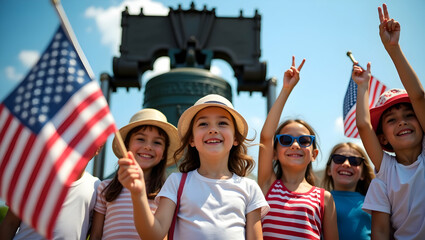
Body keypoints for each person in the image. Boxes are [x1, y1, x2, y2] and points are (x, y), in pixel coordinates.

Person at [118, 94, 269, 240]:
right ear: (191, 139)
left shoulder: (250, 188)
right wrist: (138, 195)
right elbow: (153, 236)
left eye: (222, 123)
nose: (213, 129)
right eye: (203, 124)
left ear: (236, 138)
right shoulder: (176, 182)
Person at [352, 4, 425, 239]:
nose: (402, 122)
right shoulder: (385, 173)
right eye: (391, 120)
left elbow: (419, 96)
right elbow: (381, 231)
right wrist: (362, 87)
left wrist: (393, 49)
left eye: (409, 115)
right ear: (382, 137)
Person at [258, 56, 338, 240]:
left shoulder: (324, 198)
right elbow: (266, 136)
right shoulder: (267, 185)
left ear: (314, 154)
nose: (295, 145)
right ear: (274, 154)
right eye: (286, 140)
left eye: (304, 141)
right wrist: (286, 90)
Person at [89, 108, 180, 239]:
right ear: (126, 146)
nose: (148, 146)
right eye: (141, 139)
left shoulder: (166, 193)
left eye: (157, 142)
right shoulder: (105, 188)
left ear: (164, 154)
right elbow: (96, 235)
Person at [0, 148, 101, 240]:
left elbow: (94, 233)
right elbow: (10, 223)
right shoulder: (35, 176)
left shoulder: (97, 187)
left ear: (98, 148)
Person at [322, 142, 375, 240]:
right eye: (338, 159)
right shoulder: (318, 201)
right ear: (329, 170)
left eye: (355, 161)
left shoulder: (374, 205)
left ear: (363, 174)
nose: (346, 164)